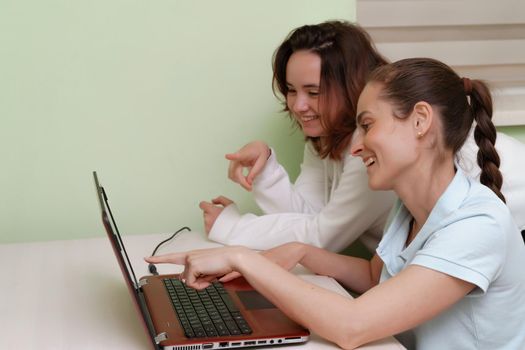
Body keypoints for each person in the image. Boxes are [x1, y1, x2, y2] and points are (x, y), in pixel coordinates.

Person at [147, 58, 525, 349]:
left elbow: (351, 326)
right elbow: (377, 277)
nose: (356, 146)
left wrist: (241, 257)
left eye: (367, 124)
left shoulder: (478, 223)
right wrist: (300, 251)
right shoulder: (410, 206)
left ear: (420, 120)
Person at [199, 21, 525, 253]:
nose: (298, 105)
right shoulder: (332, 133)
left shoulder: (380, 145)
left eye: (313, 92)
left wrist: (232, 228)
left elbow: (324, 236)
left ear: (353, 86)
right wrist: (267, 168)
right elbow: (310, 218)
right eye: (291, 90)